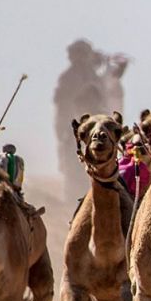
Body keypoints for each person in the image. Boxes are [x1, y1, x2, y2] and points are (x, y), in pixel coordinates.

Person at [54, 39, 106, 201]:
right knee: (73, 170)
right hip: (73, 132)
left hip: (96, 131)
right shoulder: (68, 78)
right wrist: (63, 131)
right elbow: (62, 107)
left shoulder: (94, 76)